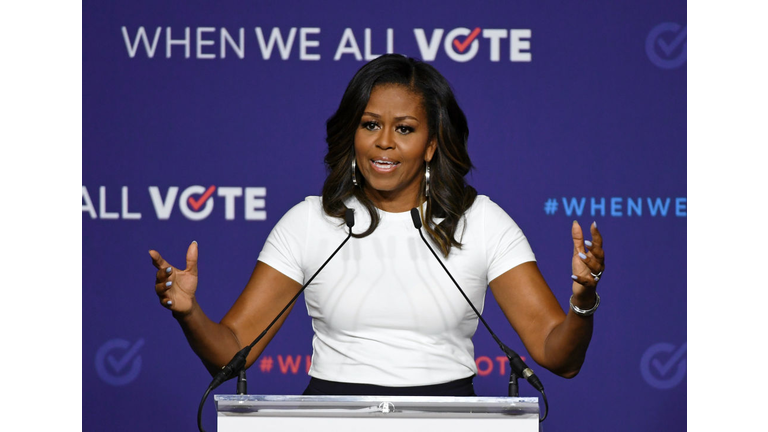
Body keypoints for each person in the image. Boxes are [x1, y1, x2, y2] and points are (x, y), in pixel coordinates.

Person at [150, 54, 605, 397]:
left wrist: (582, 303)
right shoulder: (310, 222)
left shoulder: (481, 223)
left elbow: (556, 355)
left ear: (431, 144)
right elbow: (230, 352)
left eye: (405, 129)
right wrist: (189, 313)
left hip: (451, 417)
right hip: (329, 417)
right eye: (371, 124)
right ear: (353, 133)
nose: (384, 142)